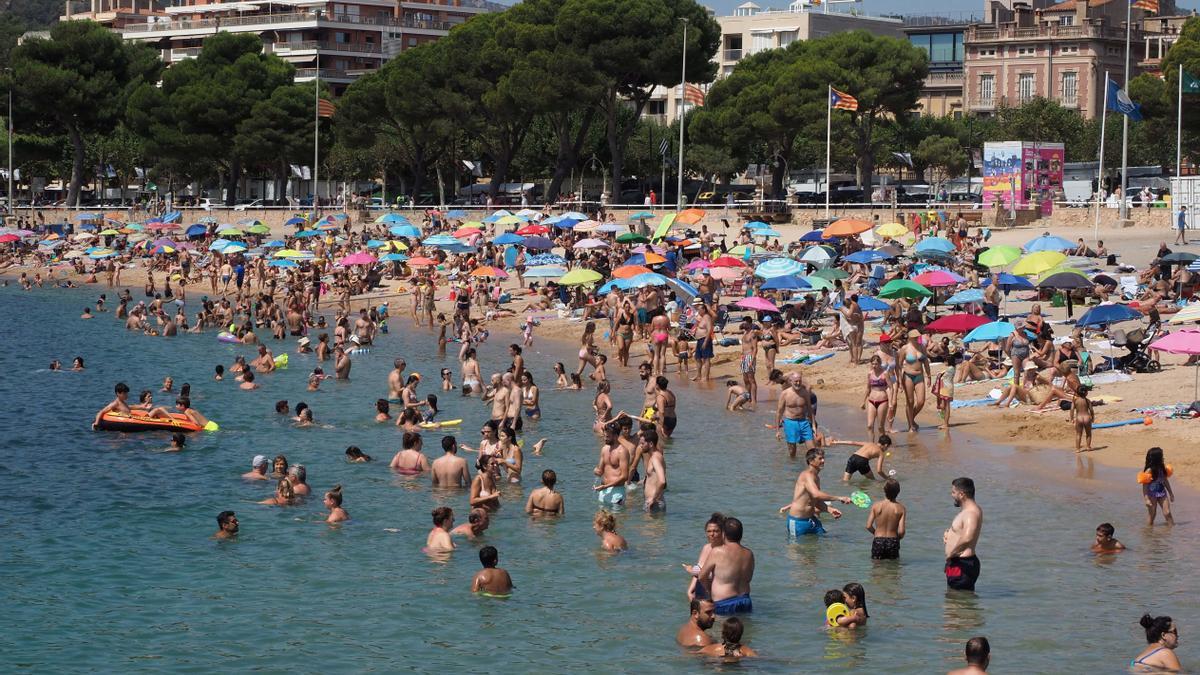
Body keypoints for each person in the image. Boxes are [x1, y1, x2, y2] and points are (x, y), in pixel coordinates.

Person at [779, 448, 851, 536]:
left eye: (823, 458)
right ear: (810, 461)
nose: (823, 461)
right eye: (820, 458)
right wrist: (839, 498)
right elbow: (816, 494)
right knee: (796, 548)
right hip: (797, 522)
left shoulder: (816, 477)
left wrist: (830, 510)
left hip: (812, 520)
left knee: (823, 543)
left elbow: (815, 501)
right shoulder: (806, 475)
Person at [699, 517, 754, 615]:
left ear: (723, 534)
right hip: (745, 600)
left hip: (724, 602)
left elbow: (702, 576)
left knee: (719, 630)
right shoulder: (749, 554)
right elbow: (748, 578)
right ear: (741, 535)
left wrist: (709, 590)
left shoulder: (717, 551)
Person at [944, 477, 983, 591]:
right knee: (953, 601)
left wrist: (951, 554)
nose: (952, 495)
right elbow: (961, 532)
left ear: (962, 494)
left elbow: (967, 537)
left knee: (956, 602)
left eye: (953, 492)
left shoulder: (971, 513)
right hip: (958, 563)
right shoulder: (967, 511)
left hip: (962, 564)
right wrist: (949, 535)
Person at [684, 514, 726, 600]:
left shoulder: (723, 551)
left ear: (722, 532)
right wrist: (690, 591)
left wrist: (691, 570)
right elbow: (698, 570)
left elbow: (718, 576)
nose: (712, 534)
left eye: (716, 531)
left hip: (714, 592)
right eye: (709, 531)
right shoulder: (706, 547)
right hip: (700, 589)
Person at [776, 373, 816, 458]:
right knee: (792, 452)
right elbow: (779, 412)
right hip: (790, 423)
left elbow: (809, 409)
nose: (798, 383)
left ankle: (810, 467)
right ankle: (793, 469)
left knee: (812, 450)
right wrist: (777, 430)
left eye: (799, 381)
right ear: (790, 381)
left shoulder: (805, 393)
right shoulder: (785, 394)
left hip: (804, 422)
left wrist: (813, 425)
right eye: (796, 381)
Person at [866, 478, 906, 560]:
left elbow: (868, 526)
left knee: (877, 568)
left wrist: (876, 534)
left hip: (878, 540)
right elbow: (901, 532)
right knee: (893, 569)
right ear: (898, 492)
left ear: (884, 490)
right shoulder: (901, 508)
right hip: (893, 541)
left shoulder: (876, 506)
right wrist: (897, 539)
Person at [1141, 446, 1175, 526]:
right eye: (1161, 456)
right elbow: (1145, 486)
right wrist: (1146, 499)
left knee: (1167, 512)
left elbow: (1165, 480)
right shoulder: (1149, 470)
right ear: (1157, 459)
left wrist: (1171, 493)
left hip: (1162, 493)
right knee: (1152, 515)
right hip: (1151, 495)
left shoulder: (1162, 468)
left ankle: (1172, 529)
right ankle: (1148, 532)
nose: (1163, 457)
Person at [1070, 384, 1094, 452]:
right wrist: (1093, 417)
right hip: (1087, 417)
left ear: (1077, 392)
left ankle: (1078, 449)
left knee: (1078, 434)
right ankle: (1088, 447)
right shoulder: (1087, 400)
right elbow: (1091, 410)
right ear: (1086, 392)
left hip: (1079, 418)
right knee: (1088, 433)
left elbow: (1072, 409)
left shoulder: (1075, 400)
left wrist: (1072, 418)